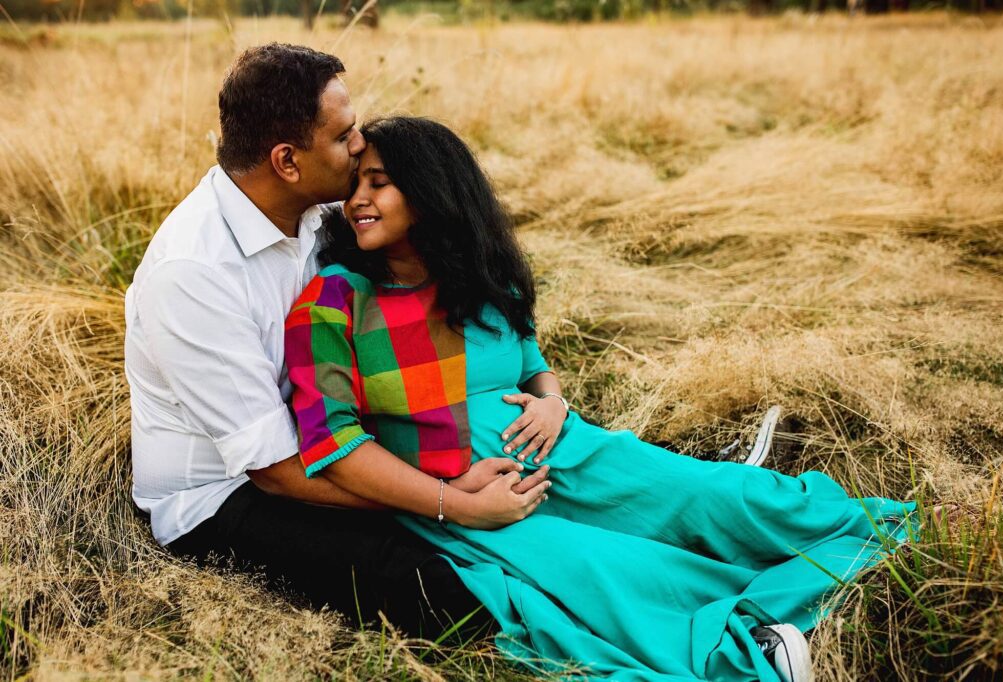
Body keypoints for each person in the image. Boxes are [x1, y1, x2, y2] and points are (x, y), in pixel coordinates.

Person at [283, 116, 918, 681]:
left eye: (379, 183)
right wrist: (456, 503)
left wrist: (553, 402)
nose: (357, 200)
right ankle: (747, 645)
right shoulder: (335, 301)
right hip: (478, 499)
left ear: (430, 191)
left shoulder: (480, 274)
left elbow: (530, 363)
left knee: (722, 499)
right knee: (615, 576)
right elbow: (331, 442)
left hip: (570, 453)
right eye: (356, 184)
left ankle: (851, 560)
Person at [125, 44, 552, 640]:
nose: (359, 145)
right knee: (450, 593)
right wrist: (447, 499)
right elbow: (273, 470)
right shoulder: (194, 272)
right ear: (288, 161)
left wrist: (539, 389)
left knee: (527, 536)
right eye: (344, 135)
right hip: (231, 494)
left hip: (341, 439)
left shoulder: (318, 215)